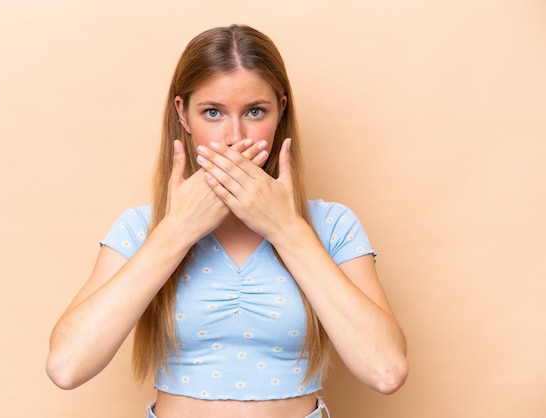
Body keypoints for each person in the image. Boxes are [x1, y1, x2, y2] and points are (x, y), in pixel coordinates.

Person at [46, 24, 408, 418]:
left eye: (255, 111)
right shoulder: (141, 227)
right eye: (213, 112)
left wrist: (286, 230)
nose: (235, 136)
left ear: (281, 111)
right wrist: (176, 231)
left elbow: (386, 371)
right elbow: (66, 367)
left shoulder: (332, 225)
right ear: (183, 114)